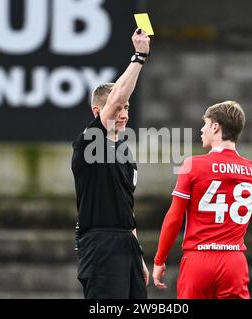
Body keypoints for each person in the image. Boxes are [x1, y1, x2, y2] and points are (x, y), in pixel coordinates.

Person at [152, 101, 252, 299]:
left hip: (199, 259)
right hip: (234, 262)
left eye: (205, 123)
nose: (202, 129)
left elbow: (174, 217)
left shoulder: (192, 165)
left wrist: (159, 259)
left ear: (215, 127)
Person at [71, 29, 150, 299]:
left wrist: (137, 251)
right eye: (119, 109)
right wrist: (139, 56)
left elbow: (127, 207)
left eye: (127, 108)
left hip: (126, 243)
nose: (124, 113)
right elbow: (115, 97)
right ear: (98, 113)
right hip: (101, 244)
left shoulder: (125, 153)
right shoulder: (89, 142)